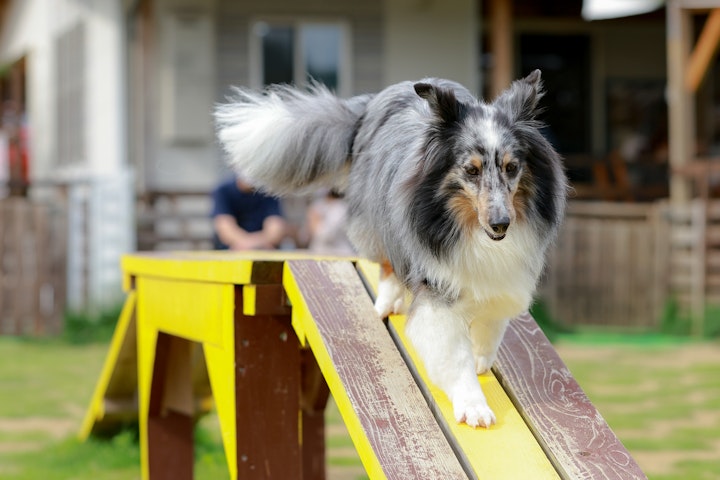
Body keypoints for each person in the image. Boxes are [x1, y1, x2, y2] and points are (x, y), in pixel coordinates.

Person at [211, 176, 287, 250]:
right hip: (231, 251)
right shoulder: (223, 190)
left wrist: (252, 245)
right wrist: (253, 244)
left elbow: (275, 230)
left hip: (263, 249)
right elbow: (225, 229)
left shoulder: (268, 191)